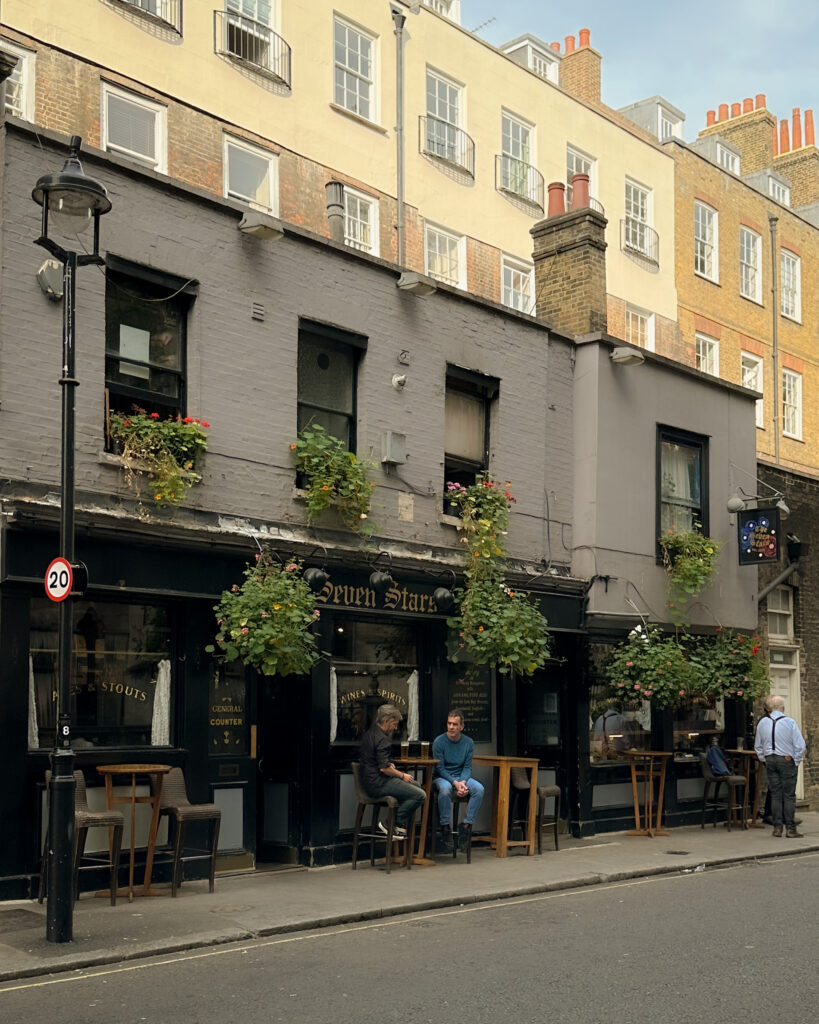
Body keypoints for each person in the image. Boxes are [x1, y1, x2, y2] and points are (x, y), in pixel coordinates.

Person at [359, 703, 425, 838]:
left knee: (416, 786)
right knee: (420, 795)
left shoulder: (369, 734)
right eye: (394, 724)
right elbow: (384, 769)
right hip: (379, 783)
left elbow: (376, 760)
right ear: (386, 721)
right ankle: (392, 823)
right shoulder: (383, 739)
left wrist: (389, 764)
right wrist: (402, 775)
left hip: (369, 782)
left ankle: (396, 826)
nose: (395, 727)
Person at [432, 709, 484, 852]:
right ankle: (445, 827)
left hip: (461, 777)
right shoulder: (439, 742)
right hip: (442, 777)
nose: (451, 727)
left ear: (461, 727)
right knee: (445, 789)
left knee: (479, 789)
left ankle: (466, 826)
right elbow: (440, 768)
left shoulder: (468, 743)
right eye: (449, 723)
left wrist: (462, 783)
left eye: (455, 724)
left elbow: (467, 767)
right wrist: (455, 783)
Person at [753, 695, 805, 838]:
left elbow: (758, 746)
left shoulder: (763, 723)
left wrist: (765, 758)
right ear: (783, 707)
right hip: (786, 759)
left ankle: (777, 828)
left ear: (769, 708)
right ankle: (790, 828)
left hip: (770, 759)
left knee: (775, 794)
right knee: (788, 795)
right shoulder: (789, 722)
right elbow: (800, 746)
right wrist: (795, 760)